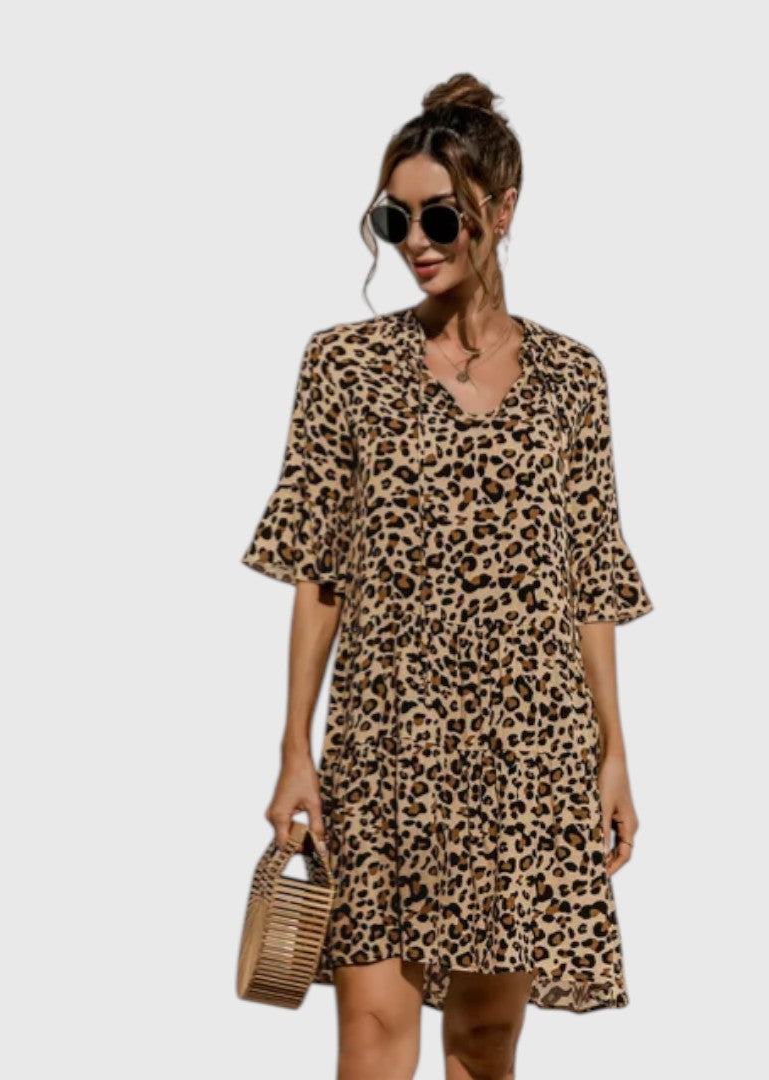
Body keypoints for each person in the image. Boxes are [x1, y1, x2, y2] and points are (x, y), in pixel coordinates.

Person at [241, 72, 654, 1080]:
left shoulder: (573, 380)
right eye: (393, 219)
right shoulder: (344, 366)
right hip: (383, 740)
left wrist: (613, 752)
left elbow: (590, 582)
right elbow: (318, 571)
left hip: (528, 748)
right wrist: (294, 748)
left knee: (484, 1039)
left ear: (502, 211)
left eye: (439, 216)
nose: (414, 241)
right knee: (373, 1031)